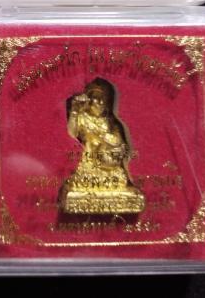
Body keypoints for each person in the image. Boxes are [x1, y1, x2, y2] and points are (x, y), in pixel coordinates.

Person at [59, 78, 145, 215]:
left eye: (103, 99)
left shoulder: (110, 122)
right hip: (89, 163)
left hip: (110, 165)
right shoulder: (83, 117)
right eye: (96, 98)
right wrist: (74, 112)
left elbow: (120, 144)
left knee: (115, 176)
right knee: (84, 180)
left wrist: (107, 137)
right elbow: (73, 132)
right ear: (88, 100)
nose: (100, 102)